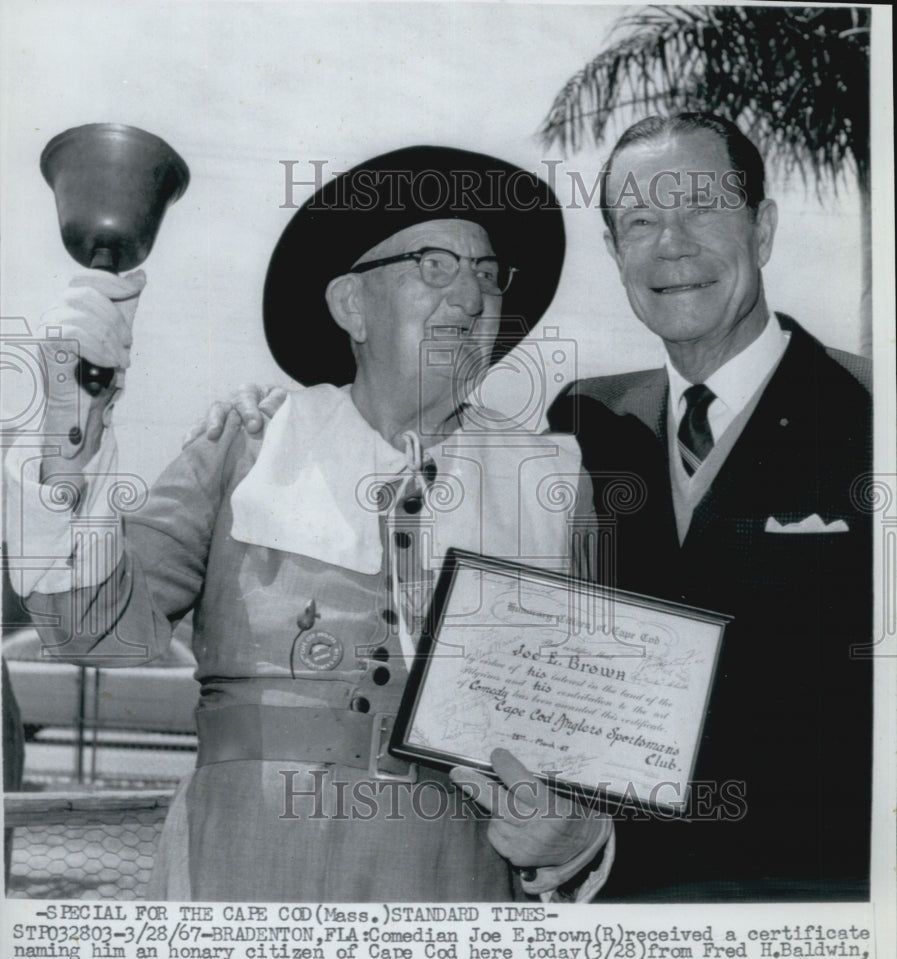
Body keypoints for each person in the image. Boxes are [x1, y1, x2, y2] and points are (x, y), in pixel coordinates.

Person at [4, 146, 613, 902]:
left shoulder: (552, 484)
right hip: (241, 882)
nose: (471, 295)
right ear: (350, 305)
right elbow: (86, 630)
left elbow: (593, 739)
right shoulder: (246, 445)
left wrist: (575, 835)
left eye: (488, 273)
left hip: (452, 894)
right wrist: (75, 418)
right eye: (434, 265)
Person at [548, 112, 872, 900]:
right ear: (614, 252)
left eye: (698, 208)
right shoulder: (581, 425)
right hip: (615, 909)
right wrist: (293, 412)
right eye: (640, 221)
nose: (671, 244)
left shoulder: (874, 415)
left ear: (760, 227)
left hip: (823, 912)